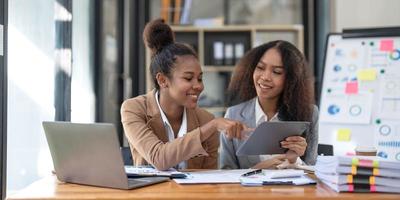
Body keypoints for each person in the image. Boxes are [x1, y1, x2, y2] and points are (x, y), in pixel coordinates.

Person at [121, 19, 249, 171]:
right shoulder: (134, 109)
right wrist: (211, 127)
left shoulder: (205, 119)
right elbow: (159, 158)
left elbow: (211, 181)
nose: (199, 86)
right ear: (162, 80)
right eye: (188, 78)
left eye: (200, 78)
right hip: (150, 194)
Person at [220, 40, 319, 169]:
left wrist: (295, 161)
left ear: (291, 79)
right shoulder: (234, 114)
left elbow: (315, 172)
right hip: (249, 190)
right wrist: (258, 170)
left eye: (277, 72)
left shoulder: (309, 113)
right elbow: (225, 172)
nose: (265, 77)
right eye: (260, 68)